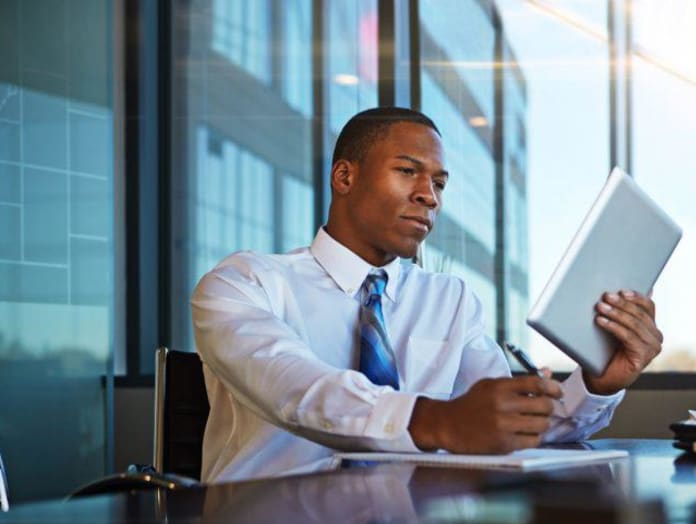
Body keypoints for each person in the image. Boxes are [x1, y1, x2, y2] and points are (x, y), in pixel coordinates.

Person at [191, 107, 663, 483]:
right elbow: (299, 389)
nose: (430, 196)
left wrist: (600, 380)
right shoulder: (243, 284)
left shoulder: (451, 300)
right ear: (344, 177)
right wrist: (438, 420)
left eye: (438, 183)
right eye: (407, 172)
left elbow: (510, 424)